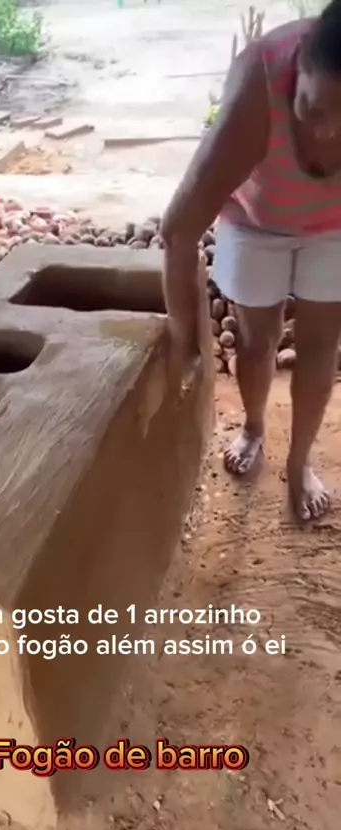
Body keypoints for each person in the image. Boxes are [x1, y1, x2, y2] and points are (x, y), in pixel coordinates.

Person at [161, 0, 341, 522]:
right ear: (297, 70)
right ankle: (254, 426)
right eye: (314, 110)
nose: (329, 134)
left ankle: (300, 462)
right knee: (256, 340)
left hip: (335, 227)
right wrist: (187, 345)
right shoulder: (259, 84)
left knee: (321, 344)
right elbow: (178, 231)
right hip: (256, 220)